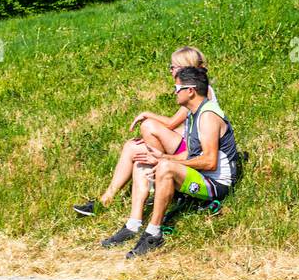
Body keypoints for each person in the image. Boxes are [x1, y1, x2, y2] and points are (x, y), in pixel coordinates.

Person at [101, 66, 240, 258]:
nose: (174, 93)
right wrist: (160, 157)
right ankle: (133, 225)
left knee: (165, 168)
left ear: (190, 91)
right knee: (144, 158)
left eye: (177, 89)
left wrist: (166, 163)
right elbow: (191, 154)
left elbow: (209, 162)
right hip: (199, 176)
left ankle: (154, 233)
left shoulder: (208, 116)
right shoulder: (194, 114)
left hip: (215, 185)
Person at [73, 46, 217, 216]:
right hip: (186, 144)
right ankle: (106, 199)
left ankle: (159, 182)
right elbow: (184, 127)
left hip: (193, 152)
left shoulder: (198, 91)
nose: (170, 70)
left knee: (148, 125)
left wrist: (148, 114)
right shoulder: (190, 90)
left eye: (173, 67)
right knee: (131, 146)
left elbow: (172, 124)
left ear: (185, 68)